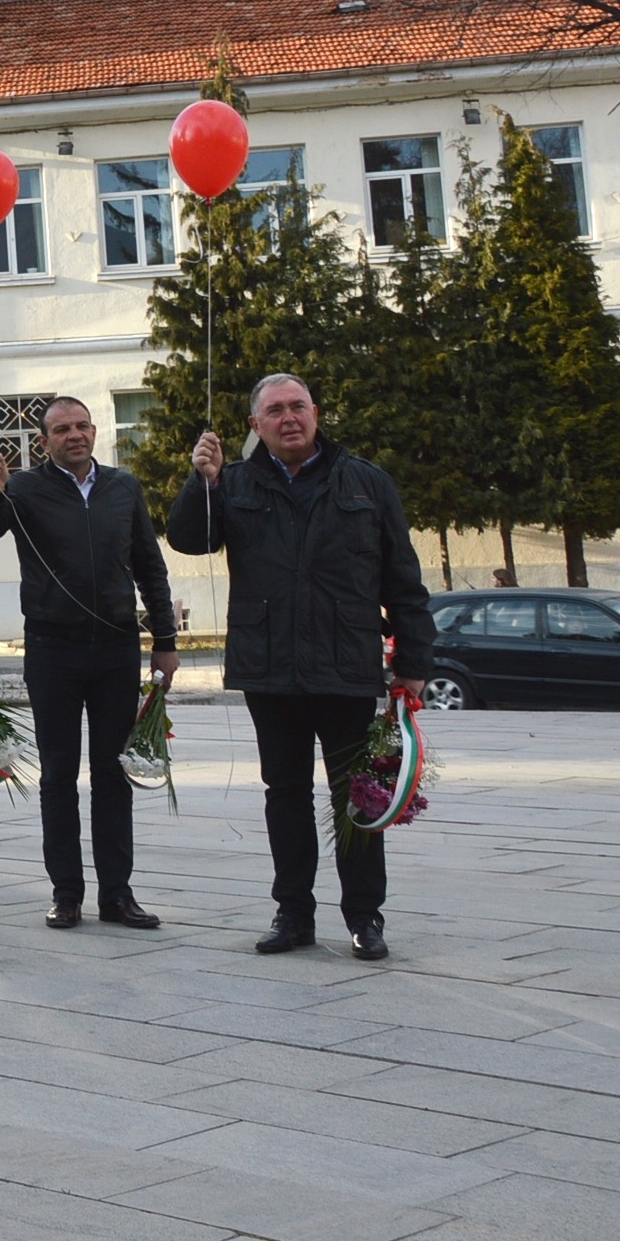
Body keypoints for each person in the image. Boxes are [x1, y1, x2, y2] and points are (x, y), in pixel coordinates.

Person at [171, 374, 433, 961]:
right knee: (283, 794)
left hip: (346, 666)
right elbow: (190, 538)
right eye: (276, 410)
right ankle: (293, 913)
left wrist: (414, 661)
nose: (289, 418)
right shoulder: (233, 482)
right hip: (270, 669)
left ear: (316, 413)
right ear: (254, 425)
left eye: (299, 407)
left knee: (357, 797)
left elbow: (404, 580)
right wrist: (201, 480)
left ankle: (365, 917)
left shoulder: (366, 481)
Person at [0, 396, 175, 930]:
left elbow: (150, 567)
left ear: (94, 431)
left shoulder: (122, 486)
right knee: (59, 774)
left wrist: (166, 639)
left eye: (82, 426)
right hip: (52, 650)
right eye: (61, 429)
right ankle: (66, 893)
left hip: (115, 648)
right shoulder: (24, 487)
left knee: (114, 773)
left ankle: (118, 894)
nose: (75, 435)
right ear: (44, 442)